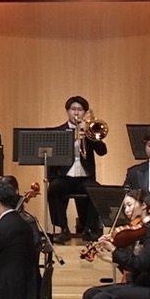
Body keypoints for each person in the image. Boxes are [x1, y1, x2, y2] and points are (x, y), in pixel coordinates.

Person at [47, 95, 106, 245]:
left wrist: (91, 136)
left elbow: (102, 151)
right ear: (67, 111)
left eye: (80, 109)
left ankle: (89, 229)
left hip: (84, 177)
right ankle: (63, 229)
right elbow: (53, 155)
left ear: (85, 113)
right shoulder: (58, 131)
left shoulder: (89, 131)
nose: (76, 113)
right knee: (54, 189)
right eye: (73, 109)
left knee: (97, 191)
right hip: (64, 176)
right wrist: (72, 139)